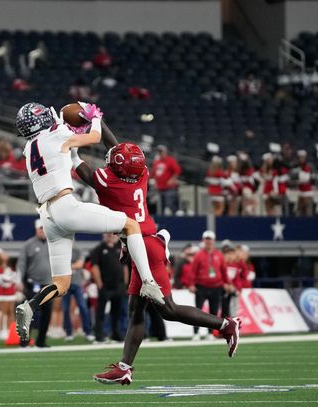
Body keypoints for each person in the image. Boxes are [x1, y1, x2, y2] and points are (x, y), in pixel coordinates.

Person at [72, 125, 241, 385]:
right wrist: (97, 121)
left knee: (168, 309)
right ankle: (125, 367)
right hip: (144, 241)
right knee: (136, 310)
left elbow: (76, 163)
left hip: (145, 248)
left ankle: (225, 325)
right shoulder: (141, 173)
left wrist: (66, 141)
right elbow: (115, 151)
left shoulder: (109, 183)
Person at [14, 102, 164, 344]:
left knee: (61, 284)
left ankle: (31, 306)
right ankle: (148, 282)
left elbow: (66, 152)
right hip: (65, 207)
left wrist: (72, 145)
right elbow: (95, 136)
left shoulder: (29, 147)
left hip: (47, 216)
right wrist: (95, 117)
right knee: (131, 225)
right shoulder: (55, 135)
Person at [186, 230, 231, 341]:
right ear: (203, 240)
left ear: (213, 240)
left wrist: (227, 283)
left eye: (210, 239)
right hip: (201, 286)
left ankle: (210, 333)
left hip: (216, 286)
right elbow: (193, 271)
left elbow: (224, 271)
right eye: (206, 239)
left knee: (214, 312)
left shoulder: (219, 255)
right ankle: (196, 332)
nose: (208, 241)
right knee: (197, 311)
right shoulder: (199, 255)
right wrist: (191, 284)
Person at [16, 219, 53, 348]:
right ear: (36, 229)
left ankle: (41, 341)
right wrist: (19, 280)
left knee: (47, 313)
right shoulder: (28, 244)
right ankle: (24, 341)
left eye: (44, 228)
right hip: (33, 284)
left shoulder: (52, 243)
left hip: (48, 285)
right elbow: (21, 264)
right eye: (40, 228)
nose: (43, 231)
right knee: (28, 312)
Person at [89, 234, 128, 343]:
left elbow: (124, 266)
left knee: (117, 312)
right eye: (108, 234)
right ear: (104, 235)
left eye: (112, 233)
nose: (110, 236)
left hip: (118, 286)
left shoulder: (119, 248)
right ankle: (99, 335)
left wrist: (124, 283)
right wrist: (99, 283)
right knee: (100, 312)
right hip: (105, 286)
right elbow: (95, 267)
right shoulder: (98, 249)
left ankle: (115, 334)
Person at [63, 248, 94, 341]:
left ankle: (87, 332)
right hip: (65, 284)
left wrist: (67, 267)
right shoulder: (62, 250)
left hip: (77, 283)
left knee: (83, 307)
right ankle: (68, 333)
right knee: (65, 309)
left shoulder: (77, 250)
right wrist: (73, 266)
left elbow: (80, 264)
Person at [152, 145, 182, 215]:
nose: (160, 153)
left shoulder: (170, 160)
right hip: (160, 187)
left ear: (165, 152)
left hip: (169, 188)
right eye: (159, 152)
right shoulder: (157, 162)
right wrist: (154, 182)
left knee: (170, 203)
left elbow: (178, 171)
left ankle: (176, 217)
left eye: (161, 152)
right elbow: (154, 173)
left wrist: (172, 179)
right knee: (161, 206)